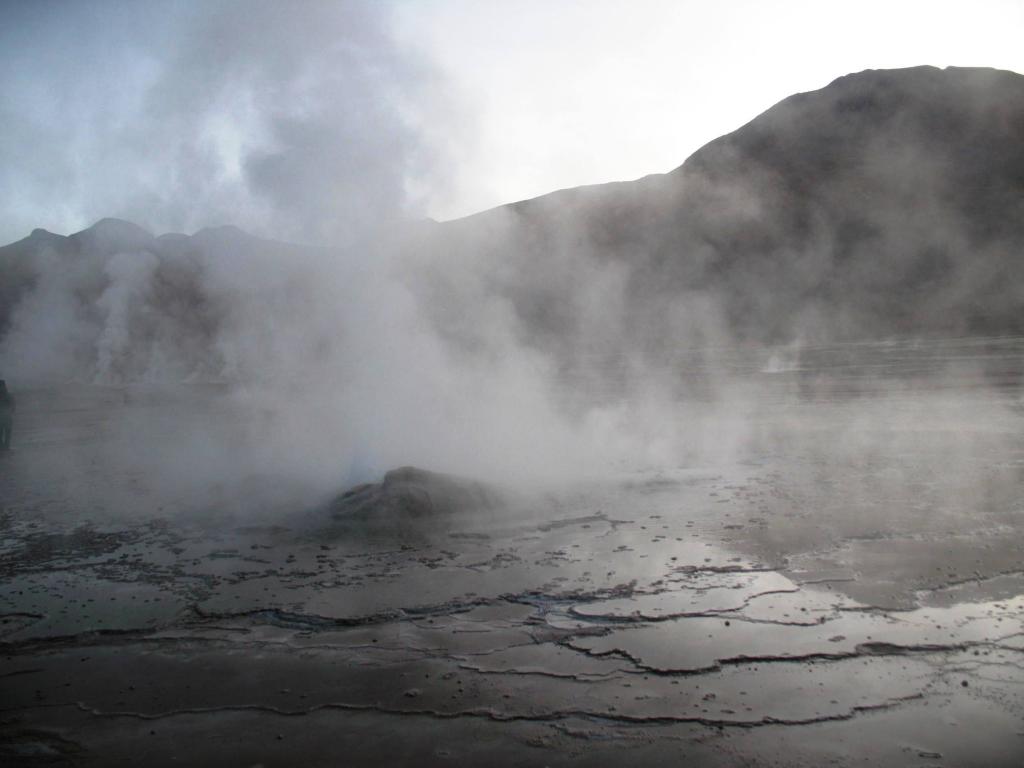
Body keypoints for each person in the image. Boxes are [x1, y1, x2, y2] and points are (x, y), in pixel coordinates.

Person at [0, 380, 14, 451]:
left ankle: (5, 448)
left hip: (6, 418)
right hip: (6, 417)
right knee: (5, 434)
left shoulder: (9, 396)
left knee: (5, 434)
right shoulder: (9, 395)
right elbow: (13, 407)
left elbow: (12, 407)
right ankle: (5, 448)